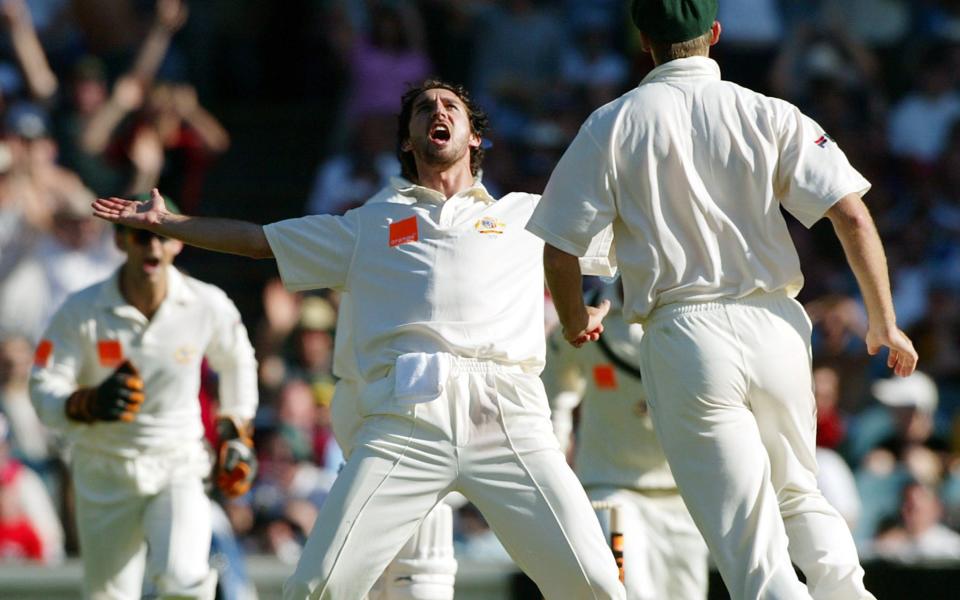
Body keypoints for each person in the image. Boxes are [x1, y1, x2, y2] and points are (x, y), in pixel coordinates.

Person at [91, 79, 625, 600]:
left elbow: (630, 244)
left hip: (508, 414)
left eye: (450, 106)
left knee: (596, 585)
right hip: (406, 419)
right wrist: (168, 222)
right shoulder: (368, 225)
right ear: (407, 141)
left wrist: (600, 307)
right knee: (316, 587)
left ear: (476, 137)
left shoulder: (529, 214)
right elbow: (258, 242)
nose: (437, 111)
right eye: (423, 109)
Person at [525, 1, 918, 599]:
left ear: (643, 41)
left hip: (686, 334)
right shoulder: (768, 112)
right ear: (715, 32)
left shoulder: (612, 122)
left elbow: (560, 250)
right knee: (799, 494)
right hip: (777, 326)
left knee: (749, 546)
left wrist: (577, 321)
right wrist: (884, 323)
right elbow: (852, 215)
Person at [29, 197, 259, 599]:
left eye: (161, 236)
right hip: (104, 470)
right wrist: (85, 403)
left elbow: (239, 359)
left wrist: (236, 428)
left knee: (185, 582)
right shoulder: (80, 310)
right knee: (109, 595)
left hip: (179, 464)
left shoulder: (205, 303)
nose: (152, 247)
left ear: (177, 242)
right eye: (140, 236)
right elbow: (43, 384)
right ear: (120, 241)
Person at [543, 280, 709, 600]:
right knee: (630, 591)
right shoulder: (585, 313)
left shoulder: (701, 312)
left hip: (684, 494)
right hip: (609, 487)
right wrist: (553, 467)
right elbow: (554, 397)